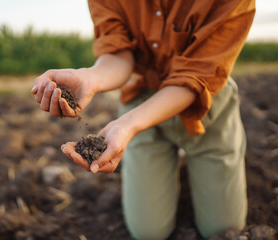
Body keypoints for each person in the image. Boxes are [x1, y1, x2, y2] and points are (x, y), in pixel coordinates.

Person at [31, 0, 255, 239]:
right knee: (147, 233)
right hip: (141, 102)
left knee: (222, 229)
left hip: (205, 102)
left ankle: (197, 171)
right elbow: (119, 55)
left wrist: (128, 123)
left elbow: (196, 77)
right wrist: (90, 77)